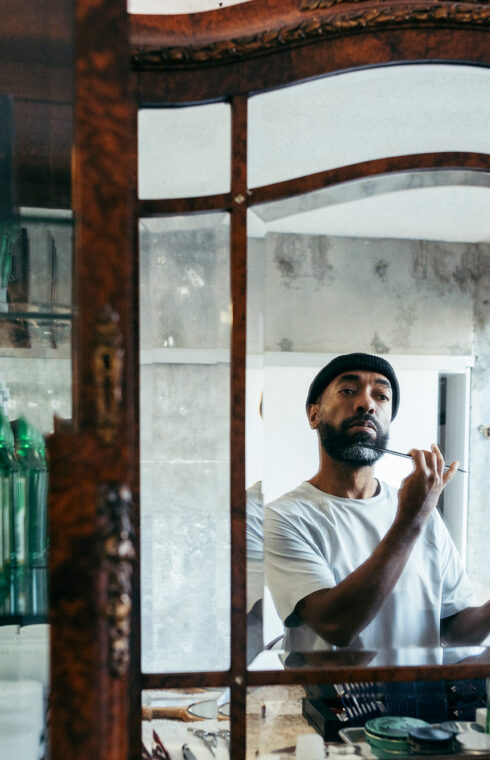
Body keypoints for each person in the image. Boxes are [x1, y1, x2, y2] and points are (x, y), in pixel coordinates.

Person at [265, 352, 490, 653]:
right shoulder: (283, 517)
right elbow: (336, 625)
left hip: (419, 700)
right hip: (330, 701)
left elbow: (456, 632)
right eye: (348, 391)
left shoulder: (423, 512)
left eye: (382, 396)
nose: (367, 404)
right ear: (314, 415)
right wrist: (411, 519)